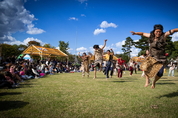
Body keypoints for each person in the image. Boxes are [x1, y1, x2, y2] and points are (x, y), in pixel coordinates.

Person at [131, 24, 178, 88]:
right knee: (145, 67)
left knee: (160, 73)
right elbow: (142, 33)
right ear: (154, 31)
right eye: (157, 31)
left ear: (161, 31)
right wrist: (136, 33)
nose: (158, 33)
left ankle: (154, 82)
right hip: (151, 56)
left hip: (160, 58)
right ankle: (147, 80)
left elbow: (173, 30)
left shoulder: (164, 36)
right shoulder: (151, 36)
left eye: (159, 31)